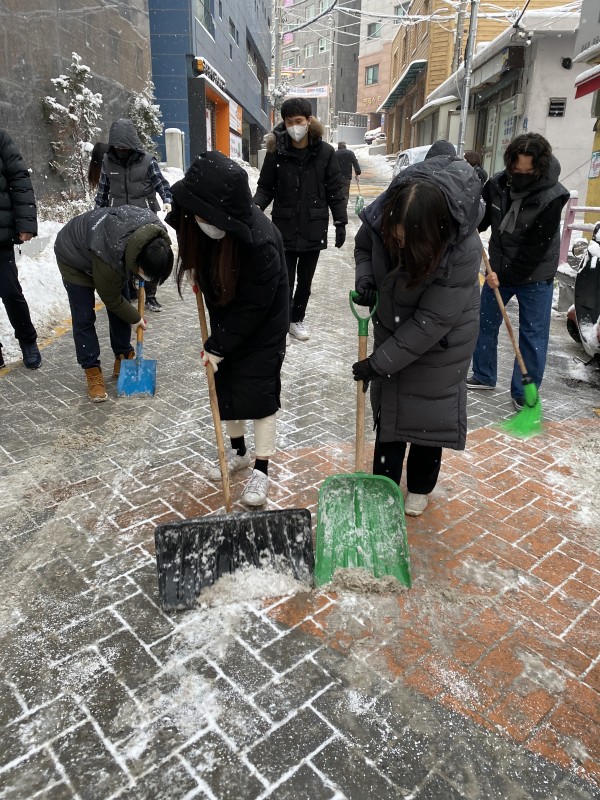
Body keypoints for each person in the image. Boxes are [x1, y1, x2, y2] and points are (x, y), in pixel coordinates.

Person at [351, 144, 483, 517]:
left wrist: (378, 363)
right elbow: (364, 247)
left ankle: (421, 486)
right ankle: (384, 485)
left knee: (428, 417)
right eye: (394, 235)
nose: (399, 243)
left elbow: (432, 322)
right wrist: (367, 280)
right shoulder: (383, 218)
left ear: (432, 231)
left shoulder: (461, 248)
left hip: (441, 343)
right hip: (392, 327)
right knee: (390, 413)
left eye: (408, 239)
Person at [167, 151, 288, 507]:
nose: (206, 222)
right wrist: (195, 270)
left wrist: (218, 344)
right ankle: (239, 454)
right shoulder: (195, 217)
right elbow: (191, 235)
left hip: (264, 320)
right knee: (226, 387)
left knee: (259, 391)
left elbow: (253, 307)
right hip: (226, 309)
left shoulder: (261, 243)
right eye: (202, 216)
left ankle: (262, 470)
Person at [467, 133, 569, 410]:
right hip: (498, 267)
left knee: (532, 335)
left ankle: (524, 392)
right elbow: (485, 220)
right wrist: (469, 224)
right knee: (484, 322)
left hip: (535, 275)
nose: (521, 175)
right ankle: (484, 375)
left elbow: (536, 249)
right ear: (510, 164)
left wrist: (506, 277)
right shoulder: (498, 184)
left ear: (540, 167)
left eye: (529, 171)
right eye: (517, 170)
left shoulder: (552, 195)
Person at [54, 206, 173, 402]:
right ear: (138, 262)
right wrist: (135, 318)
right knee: (84, 316)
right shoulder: (111, 257)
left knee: (121, 306)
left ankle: (123, 355)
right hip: (74, 256)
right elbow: (112, 299)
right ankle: (92, 370)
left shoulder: (156, 237)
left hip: (107, 250)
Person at [253, 97, 347, 342]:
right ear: (283, 123)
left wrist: (340, 222)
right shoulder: (276, 152)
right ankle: (281, 321)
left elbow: (335, 190)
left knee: (305, 282)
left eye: (298, 121)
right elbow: (265, 187)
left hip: (313, 226)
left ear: (308, 121)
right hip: (283, 227)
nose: (294, 126)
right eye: (288, 121)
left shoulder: (325, 152)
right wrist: (253, 209)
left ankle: (296, 319)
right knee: (283, 279)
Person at [95, 118, 172, 312]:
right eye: (118, 146)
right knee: (123, 254)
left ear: (132, 144)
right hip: (119, 218)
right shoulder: (108, 161)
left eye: (124, 146)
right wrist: (97, 213)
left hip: (144, 216)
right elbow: (103, 190)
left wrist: (167, 199)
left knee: (149, 254)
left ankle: (151, 295)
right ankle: (129, 289)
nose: (121, 150)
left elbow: (160, 183)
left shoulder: (147, 161)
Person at [0, 129, 42, 370]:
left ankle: (28, 341)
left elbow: (19, 180)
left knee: (10, 292)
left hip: (1, 236)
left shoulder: (1, 139)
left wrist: (26, 224)